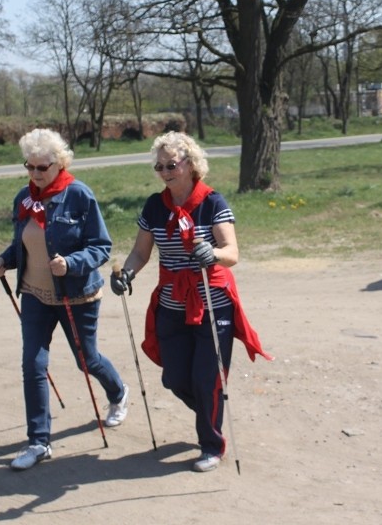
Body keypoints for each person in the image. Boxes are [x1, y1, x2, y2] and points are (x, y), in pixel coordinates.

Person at [109, 131, 272, 473]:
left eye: (171, 165)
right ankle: (211, 413)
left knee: (207, 378)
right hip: (171, 303)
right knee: (175, 378)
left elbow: (232, 253)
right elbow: (141, 252)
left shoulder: (212, 202)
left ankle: (211, 444)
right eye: (159, 166)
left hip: (212, 303)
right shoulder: (155, 206)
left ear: (190, 164)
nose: (165, 171)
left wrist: (211, 252)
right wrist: (126, 273)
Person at [0, 128, 129, 471]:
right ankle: (38, 442)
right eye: (30, 166)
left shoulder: (79, 195)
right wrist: (4, 261)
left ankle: (118, 392)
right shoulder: (24, 198)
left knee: (87, 360)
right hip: (35, 294)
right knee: (33, 366)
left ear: (59, 163)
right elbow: (23, 243)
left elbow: (101, 246)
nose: (35, 174)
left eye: (43, 167)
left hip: (76, 295)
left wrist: (71, 263)